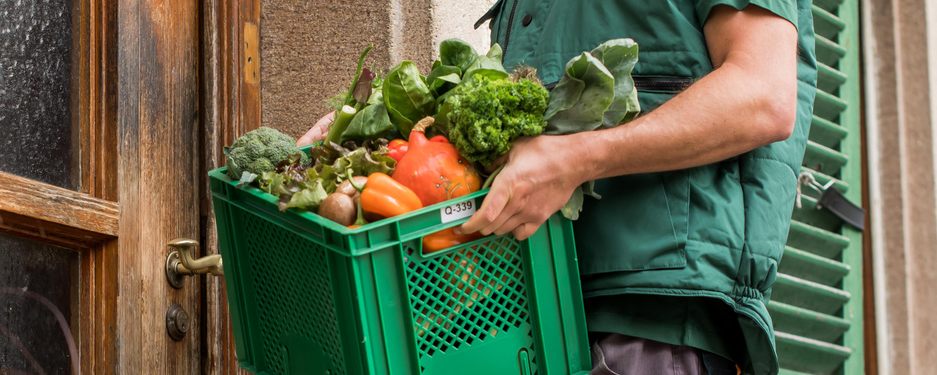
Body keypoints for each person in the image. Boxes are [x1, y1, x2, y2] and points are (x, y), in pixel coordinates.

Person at [299, 1, 815, 374]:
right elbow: (517, 134)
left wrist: (573, 161)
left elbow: (761, 95)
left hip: (643, 322)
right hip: (523, 312)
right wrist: (372, 133)